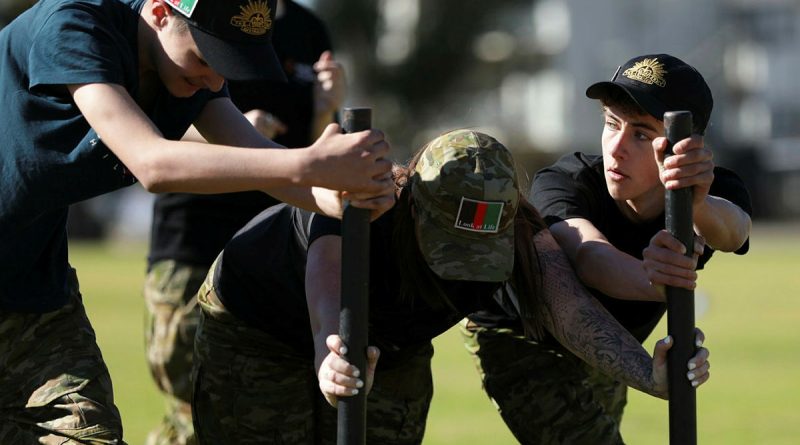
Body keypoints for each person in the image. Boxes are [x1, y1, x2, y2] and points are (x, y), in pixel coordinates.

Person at [0, 0, 393, 442]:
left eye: (227, 65)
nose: (215, 79)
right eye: (206, 58)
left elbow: (261, 159)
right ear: (161, 12)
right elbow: (152, 164)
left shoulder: (184, 76)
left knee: (89, 436)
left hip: (33, 288)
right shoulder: (75, 25)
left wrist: (339, 197)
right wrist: (311, 166)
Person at [190, 129, 710, 445]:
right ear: (414, 205)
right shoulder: (366, 205)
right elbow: (326, 275)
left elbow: (569, 310)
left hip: (391, 347)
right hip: (257, 324)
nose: (461, 265)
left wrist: (652, 377)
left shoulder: (522, 235)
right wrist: (331, 354)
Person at [462, 54, 752, 444]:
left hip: (610, 341)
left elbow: (733, 232)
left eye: (641, 135)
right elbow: (587, 256)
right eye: (611, 124)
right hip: (525, 335)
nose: (616, 148)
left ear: (684, 147)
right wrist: (652, 280)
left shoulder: (707, 192)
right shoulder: (567, 181)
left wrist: (696, 205)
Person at [143, 1, 344, 443]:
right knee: (190, 413)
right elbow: (152, 134)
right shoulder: (201, 13)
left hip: (272, 254)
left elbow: (311, 154)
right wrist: (235, 135)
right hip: (193, 241)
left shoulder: (308, 30)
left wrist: (327, 109)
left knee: (254, 418)